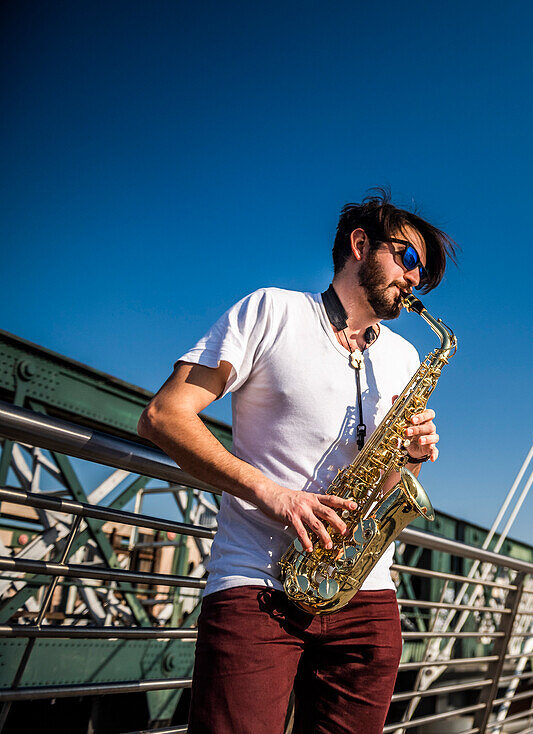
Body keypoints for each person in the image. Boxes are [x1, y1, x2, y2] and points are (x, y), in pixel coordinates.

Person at [139, 190, 456, 734]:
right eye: (407, 259)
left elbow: (388, 488)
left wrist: (410, 457)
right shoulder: (273, 311)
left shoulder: (404, 357)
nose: (413, 280)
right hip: (256, 585)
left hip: (366, 595)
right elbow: (165, 416)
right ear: (360, 245)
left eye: (422, 275)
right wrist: (275, 495)